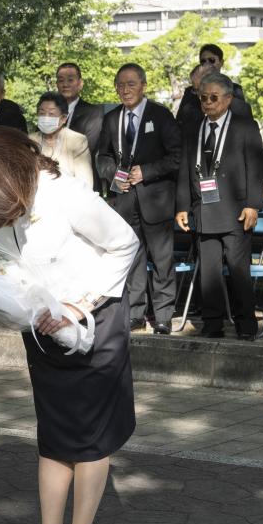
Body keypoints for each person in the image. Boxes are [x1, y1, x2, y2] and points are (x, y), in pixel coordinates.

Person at [0, 126, 138, 524]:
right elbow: (1, 266)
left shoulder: (66, 196)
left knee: (89, 439)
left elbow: (125, 244)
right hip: (41, 329)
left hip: (94, 323)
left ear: (16, 173)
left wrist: (80, 304)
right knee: (54, 437)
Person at [176, 72, 263, 340]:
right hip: (203, 211)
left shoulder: (244, 126)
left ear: (228, 98)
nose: (208, 103)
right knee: (209, 273)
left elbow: (257, 169)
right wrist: (182, 206)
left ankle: (246, 324)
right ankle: (212, 324)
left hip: (235, 211)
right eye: (203, 98)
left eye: (214, 97)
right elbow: (184, 170)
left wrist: (253, 205)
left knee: (239, 272)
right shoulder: (194, 127)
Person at [97, 63, 181, 334]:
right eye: (120, 85)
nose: (125, 90)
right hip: (124, 200)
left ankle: (164, 315)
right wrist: (113, 176)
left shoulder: (161, 115)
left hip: (156, 200)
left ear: (143, 86)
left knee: (162, 261)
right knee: (132, 259)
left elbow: (177, 156)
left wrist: (147, 171)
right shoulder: (112, 119)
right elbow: (103, 156)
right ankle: (135, 313)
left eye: (131, 84)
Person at [29, 92, 93, 190]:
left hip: (68, 197)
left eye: (51, 114)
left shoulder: (77, 141)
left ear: (63, 118)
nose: (46, 118)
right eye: (42, 113)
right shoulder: (30, 141)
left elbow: (85, 183)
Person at [177, 64, 253, 131]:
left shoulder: (240, 109)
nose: (198, 95)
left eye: (201, 89)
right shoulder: (189, 110)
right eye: (195, 90)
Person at [55, 62, 104, 156]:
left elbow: (87, 148)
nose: (65, 84)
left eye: (70, 80)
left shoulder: (93, 113)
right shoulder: (49, 112)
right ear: (56, 85)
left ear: (80, 84)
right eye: (61, 81)